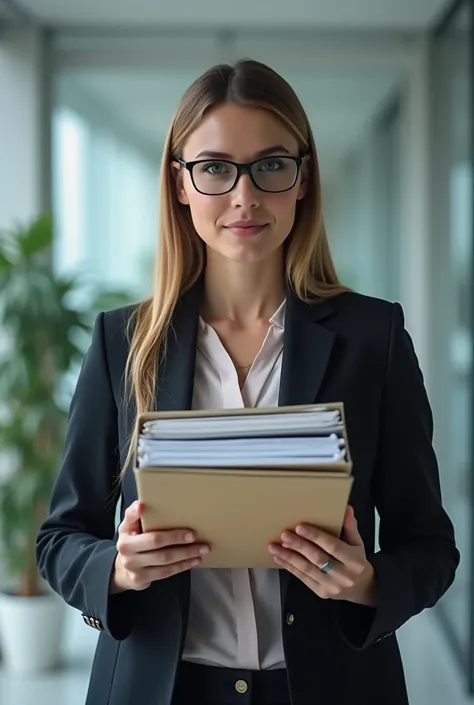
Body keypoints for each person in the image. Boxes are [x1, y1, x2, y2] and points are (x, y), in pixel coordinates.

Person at [36, 59, 459, 705]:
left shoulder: (374, 339)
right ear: (179, 182)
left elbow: (430, 545)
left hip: (328, 687)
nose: (244, 195)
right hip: (160, 687)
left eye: (269, 164)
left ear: (302, 178)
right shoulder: (121, 342)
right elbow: (60, 537)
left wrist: (367, 581)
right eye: (214, 168)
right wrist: (117, 569)